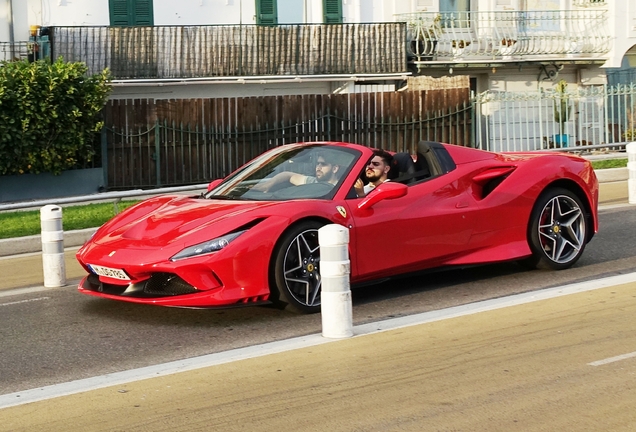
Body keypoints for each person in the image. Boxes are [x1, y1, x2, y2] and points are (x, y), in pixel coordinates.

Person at [254, 151, 342, 192]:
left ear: (335, 169)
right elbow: (288, 175)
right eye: (317, 164)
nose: (318, 168)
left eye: (323, 164)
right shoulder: (313, 181)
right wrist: (268, 185)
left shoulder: (341, 188)